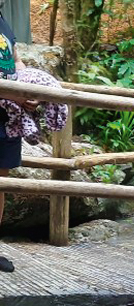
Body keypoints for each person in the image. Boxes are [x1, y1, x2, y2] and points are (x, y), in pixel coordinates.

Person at [0, 2, 36, 273]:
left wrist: (27, 87)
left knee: (1, 182)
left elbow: (16, 57)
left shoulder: (2, 19)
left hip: (6, 118)